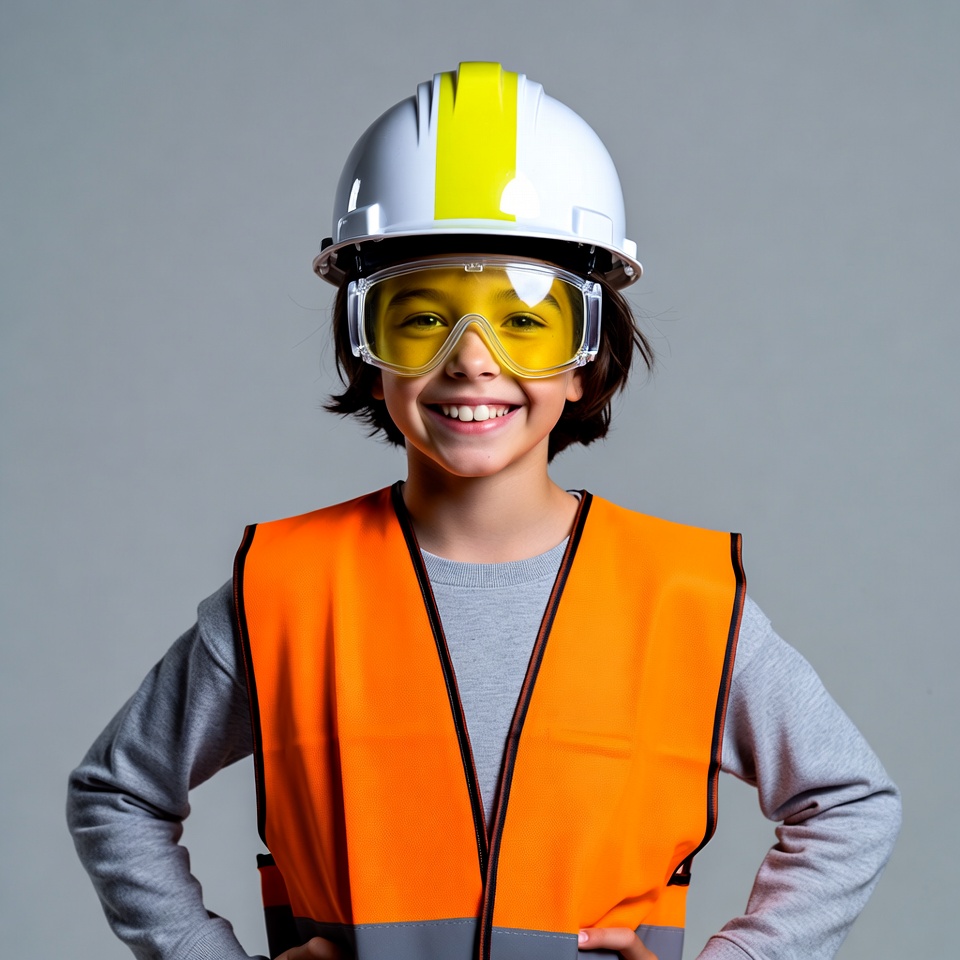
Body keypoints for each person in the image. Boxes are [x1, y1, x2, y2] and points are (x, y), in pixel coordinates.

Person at [67, 62, 901, 960]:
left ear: (586, 358)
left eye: (527, 319)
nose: (473, 360)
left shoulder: (682, 597)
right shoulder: (287, 591)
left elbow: (849, 803)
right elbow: (118, 794)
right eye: (422, 318)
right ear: (367, 349)